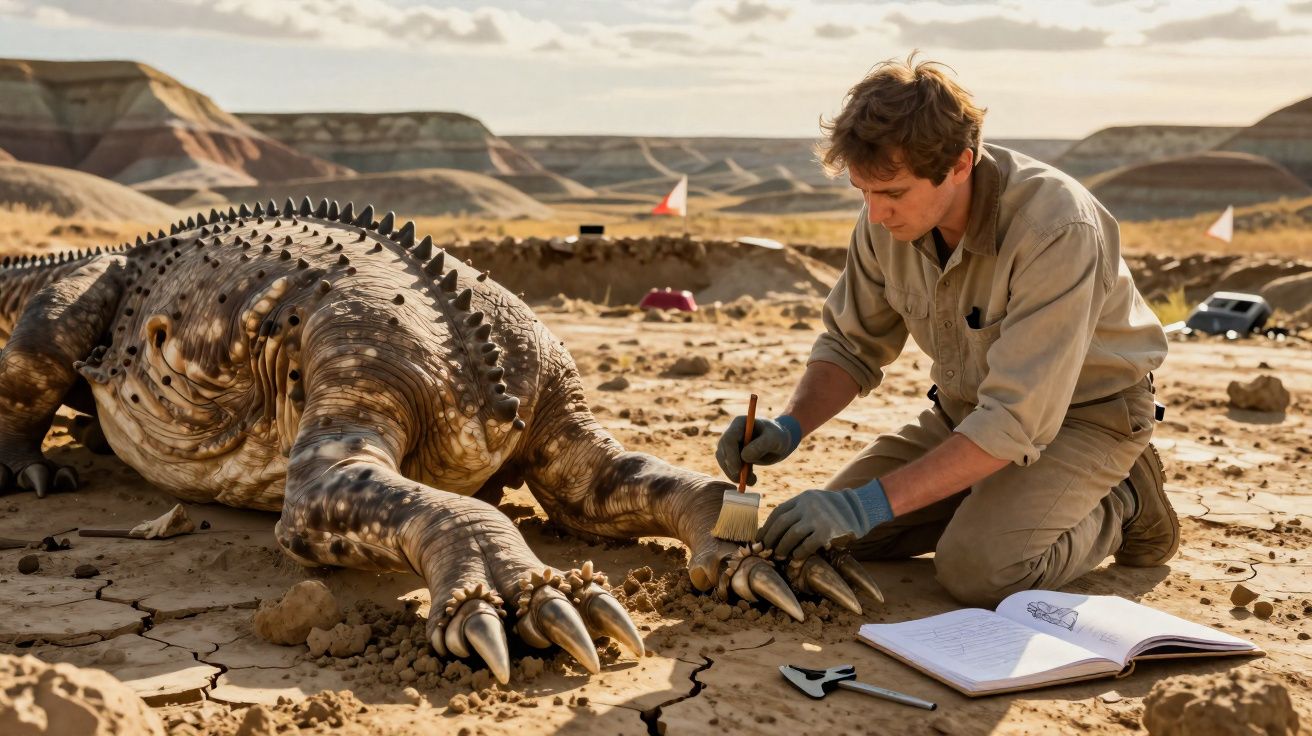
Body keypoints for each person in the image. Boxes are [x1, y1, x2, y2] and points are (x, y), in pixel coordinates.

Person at [715, 55, 1174, 607]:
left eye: (893, 194)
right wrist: (790, 426)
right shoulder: (886, 217)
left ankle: (1123, 503)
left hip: (1086, 418)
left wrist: (865, 504)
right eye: (863, 192)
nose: (875, 214)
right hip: (967, 415)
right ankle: (989, 497)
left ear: (959, 165)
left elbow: (1014, 419)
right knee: (834, 539)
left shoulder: (1055, 228)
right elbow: (851, 345)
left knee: (980, 571)